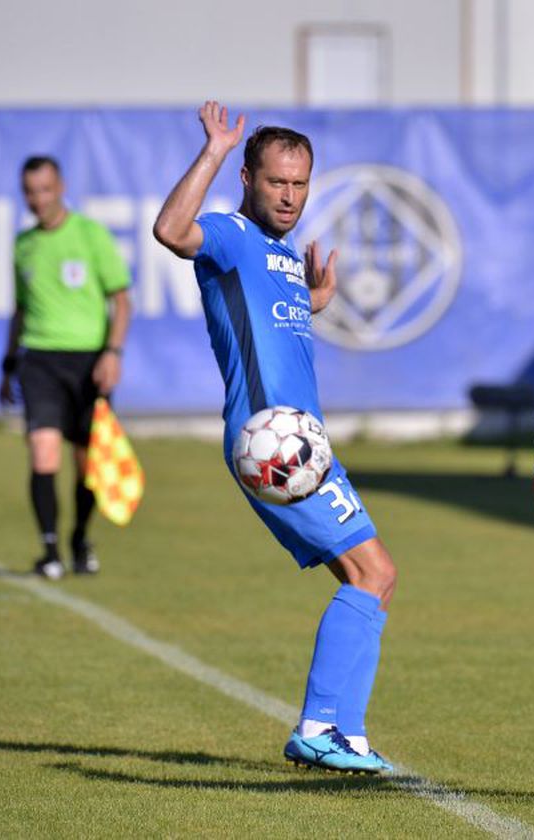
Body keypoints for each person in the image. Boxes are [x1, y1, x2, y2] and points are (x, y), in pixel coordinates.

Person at [153, 101, 396, 774]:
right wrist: (212, 149)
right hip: (272, 441)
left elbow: (271, 312)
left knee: (371, 576)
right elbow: (171, 230)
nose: (289, 196)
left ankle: (343, 735)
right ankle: (320, 727)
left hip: (299, 438)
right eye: (275, 183)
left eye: (299, 184)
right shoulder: (229, 235)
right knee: (373, 571)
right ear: (248, 179)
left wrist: (314, 296)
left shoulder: (281, 254)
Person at [0, 156, 132, 580]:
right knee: (42, 451)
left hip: (88, 361)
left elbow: (122, 299)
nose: (37, 199)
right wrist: (8, 364)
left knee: (87, 461)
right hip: (38, 360)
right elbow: (20, 310)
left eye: (44, 189)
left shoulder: (90, 235)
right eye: (30, 191)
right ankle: (51, 549)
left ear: (61, 187)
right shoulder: (24, 244)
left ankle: (79, 538)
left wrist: (112, 353)